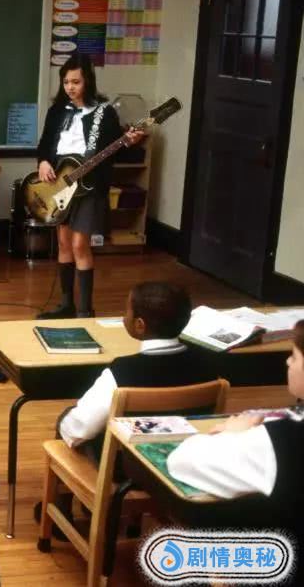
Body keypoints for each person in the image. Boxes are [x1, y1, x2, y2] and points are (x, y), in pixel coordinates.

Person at [167, 319, 304, 552]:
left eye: (295, 356)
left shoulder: (278, 441)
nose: (287, 361)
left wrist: (232, 433)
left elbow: (181, 461)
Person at [35, 54, 144, 319]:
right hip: (60, 182)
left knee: (79, 244)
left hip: (90, 184)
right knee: (64, 244)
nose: (70, 87)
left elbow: (117, 148)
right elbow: (45, 144)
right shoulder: (57, 111)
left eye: (76, 82)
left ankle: (85, 311)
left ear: (88, 82)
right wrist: (44, 163)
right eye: (66, 82)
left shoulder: (104, 113)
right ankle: (66, 305)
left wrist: (131, 142)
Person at [57, 282, 211, 459]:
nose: (124, 317)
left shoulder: (123, 371)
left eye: (126, 311)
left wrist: (63, 420)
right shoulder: (206, 364)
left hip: (132, 466)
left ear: (139, 325)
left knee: (70, 424)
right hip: (188, 459)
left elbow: (81, 429)